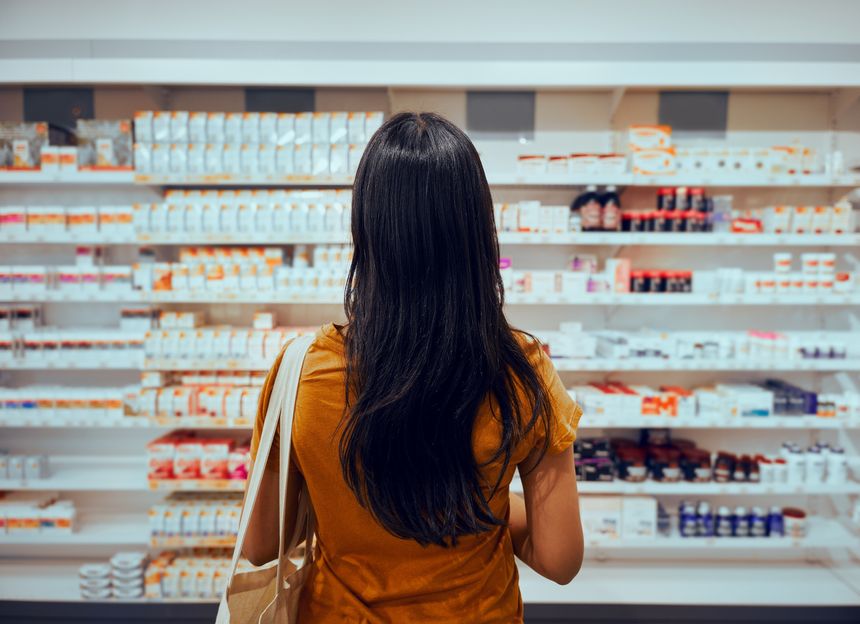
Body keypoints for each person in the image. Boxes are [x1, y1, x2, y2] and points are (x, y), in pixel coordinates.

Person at [243, 112, 584, 622]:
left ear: (365, 229)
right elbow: (559, 560)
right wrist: (480, 508)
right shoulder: (521, 371)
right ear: (479, 230)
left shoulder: (301, 372)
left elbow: (260, 543)